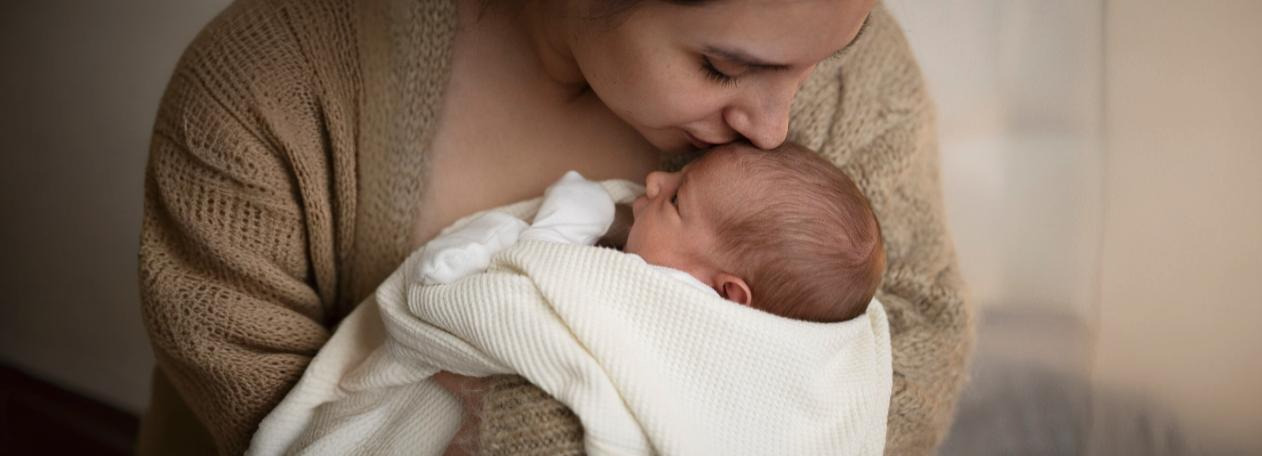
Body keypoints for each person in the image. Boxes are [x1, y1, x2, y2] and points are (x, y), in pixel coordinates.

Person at [136, 0, 971, 454]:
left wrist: (542, 438)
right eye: (723, 68)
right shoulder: (264, 86)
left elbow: (915, 345)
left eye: (821, 63)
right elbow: (272, 409)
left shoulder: (843, 53)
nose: (778, 126)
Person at [250, 142, 891, 455]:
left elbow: (494, 299)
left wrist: (561, 228)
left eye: (676, 200)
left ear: (726, 294)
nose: (655, 178)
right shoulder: (698, 277)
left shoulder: (662, 301)